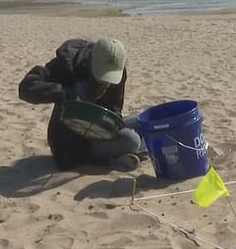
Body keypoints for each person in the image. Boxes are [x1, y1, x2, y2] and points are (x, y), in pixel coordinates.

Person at [19, 38, 143, 171]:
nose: (105, 82)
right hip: (71, 143)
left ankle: (119, 154)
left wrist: (111, 124)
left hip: (101, 127)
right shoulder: (68, 65)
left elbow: (115, 106)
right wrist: (65, 93)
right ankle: (112, 158)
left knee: (143, 120)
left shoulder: (117, 71)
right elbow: (26, 87)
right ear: (91, 61)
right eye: (101, 75)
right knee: (132, 141)